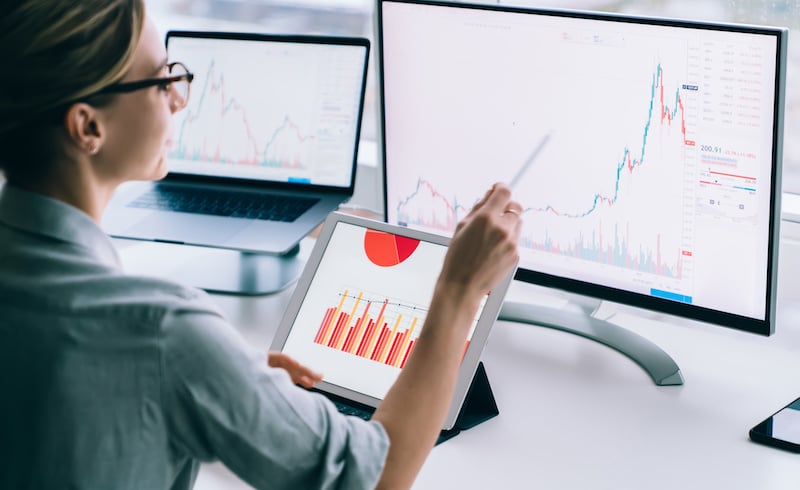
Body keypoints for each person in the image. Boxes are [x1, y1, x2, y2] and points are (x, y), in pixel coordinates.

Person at [0, 1, 522, 489]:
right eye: (163, 82)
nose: (181, 99)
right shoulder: (162, 332)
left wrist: (214, 380)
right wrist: (457, 291)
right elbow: (374, 474)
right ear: (88, 126)